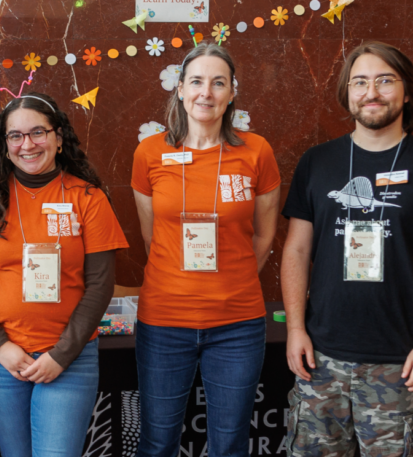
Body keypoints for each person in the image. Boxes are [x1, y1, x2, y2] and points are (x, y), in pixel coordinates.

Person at [0, 90, 129, 457]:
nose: (27, 144)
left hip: (68, 358)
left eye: (38, 132)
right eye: (15, 136)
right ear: (5, 145)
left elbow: (100, 284)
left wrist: (62, 355)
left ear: (58, 137)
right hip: (0, 359)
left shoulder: (87, 198)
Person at [131, 41, 281, 457]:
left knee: (229, 444)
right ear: (180, 89)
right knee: (158, 442)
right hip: (164, 322)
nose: (206, 93)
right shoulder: (150, 152)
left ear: (232, 92)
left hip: (238, 324)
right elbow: (151, 236)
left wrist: (231, 280)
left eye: (218, 83)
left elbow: (265, 236)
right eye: (196, 81)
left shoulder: (257, 151)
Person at [282, 41, 413, 456]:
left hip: (400, 365)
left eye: (384, 80)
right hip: (322, 359)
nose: (371, 91)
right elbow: (297, 251)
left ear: (407, 91)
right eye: (360, 81)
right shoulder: (317, 162)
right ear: (348, 93)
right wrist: (296, 329)